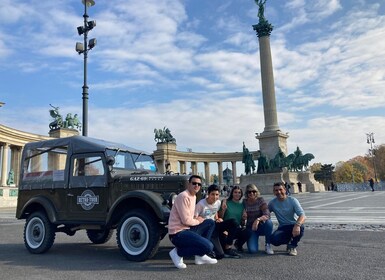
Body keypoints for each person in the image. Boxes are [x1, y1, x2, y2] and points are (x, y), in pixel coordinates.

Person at [168, 175, 217, 269]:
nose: (196, 186)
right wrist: (198, 221)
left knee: (210, 222)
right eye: (194, 183)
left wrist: (197, 218)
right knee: (209, 247)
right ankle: (177, 252)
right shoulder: (184, 196)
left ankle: (200, 257)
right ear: (189, 184)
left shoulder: (193, 196)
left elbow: (189, 216)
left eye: (199, 184)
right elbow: (186, 220)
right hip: (177, 233)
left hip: (187, 229)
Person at [195, 184, 241, 259]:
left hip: (215, 226)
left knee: (234, 222)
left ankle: (228, 247)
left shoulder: (218, 202)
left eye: (217, 194)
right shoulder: (201, 204)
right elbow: (195, 218)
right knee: (220, 255)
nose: (215, 197)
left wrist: (217, 218)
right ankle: (206, 248)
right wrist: (201, 219)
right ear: (208, 194)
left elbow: (214, 212)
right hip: (206, 230)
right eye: (212, 194)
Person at [268, 182, 306, 256]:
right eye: (276, 190)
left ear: (285, 190)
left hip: (293, 225)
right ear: (274, 192)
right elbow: (265, 213)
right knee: (273, 239)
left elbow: (303, 215)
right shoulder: (272, 203)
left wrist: (297, 225)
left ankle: (292, 246)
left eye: (280, 189)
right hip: (283, 227)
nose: (278, 192)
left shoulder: (293, 200)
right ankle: (289, 241)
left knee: (301, 227)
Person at [243, 184, 274, 255]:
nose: (251, 193)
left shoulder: (260, 200)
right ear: (246, 193)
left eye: (253, 191)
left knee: (269, 223)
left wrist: (258, 219)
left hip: (261, 226)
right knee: (253, 250)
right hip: (251, 229)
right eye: (249, 192)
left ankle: (268, 244)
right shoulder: (244, 202)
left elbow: (267, 214)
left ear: (256, 192)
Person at [218, 185, 251, 253]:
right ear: (232, 193)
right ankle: (228, 246)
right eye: (235, 192)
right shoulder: (225, 202)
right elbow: (220, 217)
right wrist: (223, 210)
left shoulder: (242, 206)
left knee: (248, 231)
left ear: (241, 194)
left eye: (239, 192)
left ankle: (238, 244)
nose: (237, 194)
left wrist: (243, 219)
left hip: (235, 230)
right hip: (225, 230)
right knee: (233, 221)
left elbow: (241, 223)